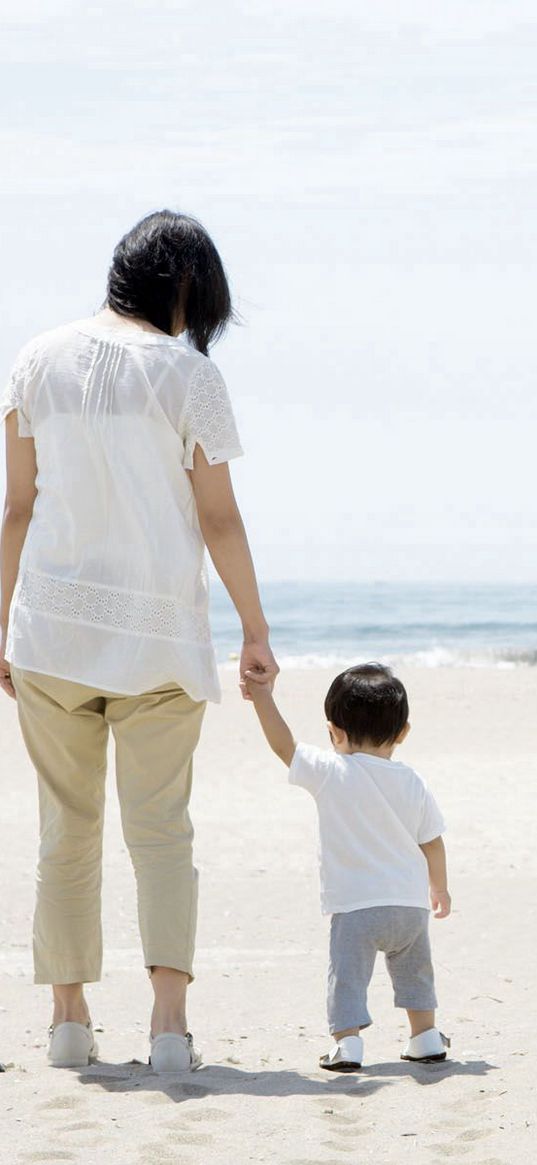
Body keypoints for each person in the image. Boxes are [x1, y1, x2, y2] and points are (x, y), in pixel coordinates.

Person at [0, 209, 278, 1073]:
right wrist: (254, 629)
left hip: (50, 631)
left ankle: (70, 1023)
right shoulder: (187, 376)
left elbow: (16, 507)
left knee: (65, 829)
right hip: (158, 637)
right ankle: (166, 1026)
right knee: (161, 831)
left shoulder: (36, 357)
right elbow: (218, 515)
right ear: (185, 285)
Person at [243, 661, 451, 1071]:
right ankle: (425, 1036)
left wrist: (263, 698)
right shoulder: (413, 781)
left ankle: (348, 1044)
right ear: (403, 732)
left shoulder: (331, 772)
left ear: (335, 732)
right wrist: (439, 888)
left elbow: (283, 745)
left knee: (348, 978)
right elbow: (433, 841)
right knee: (415, 974)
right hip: (409, 907)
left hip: (356, 907)